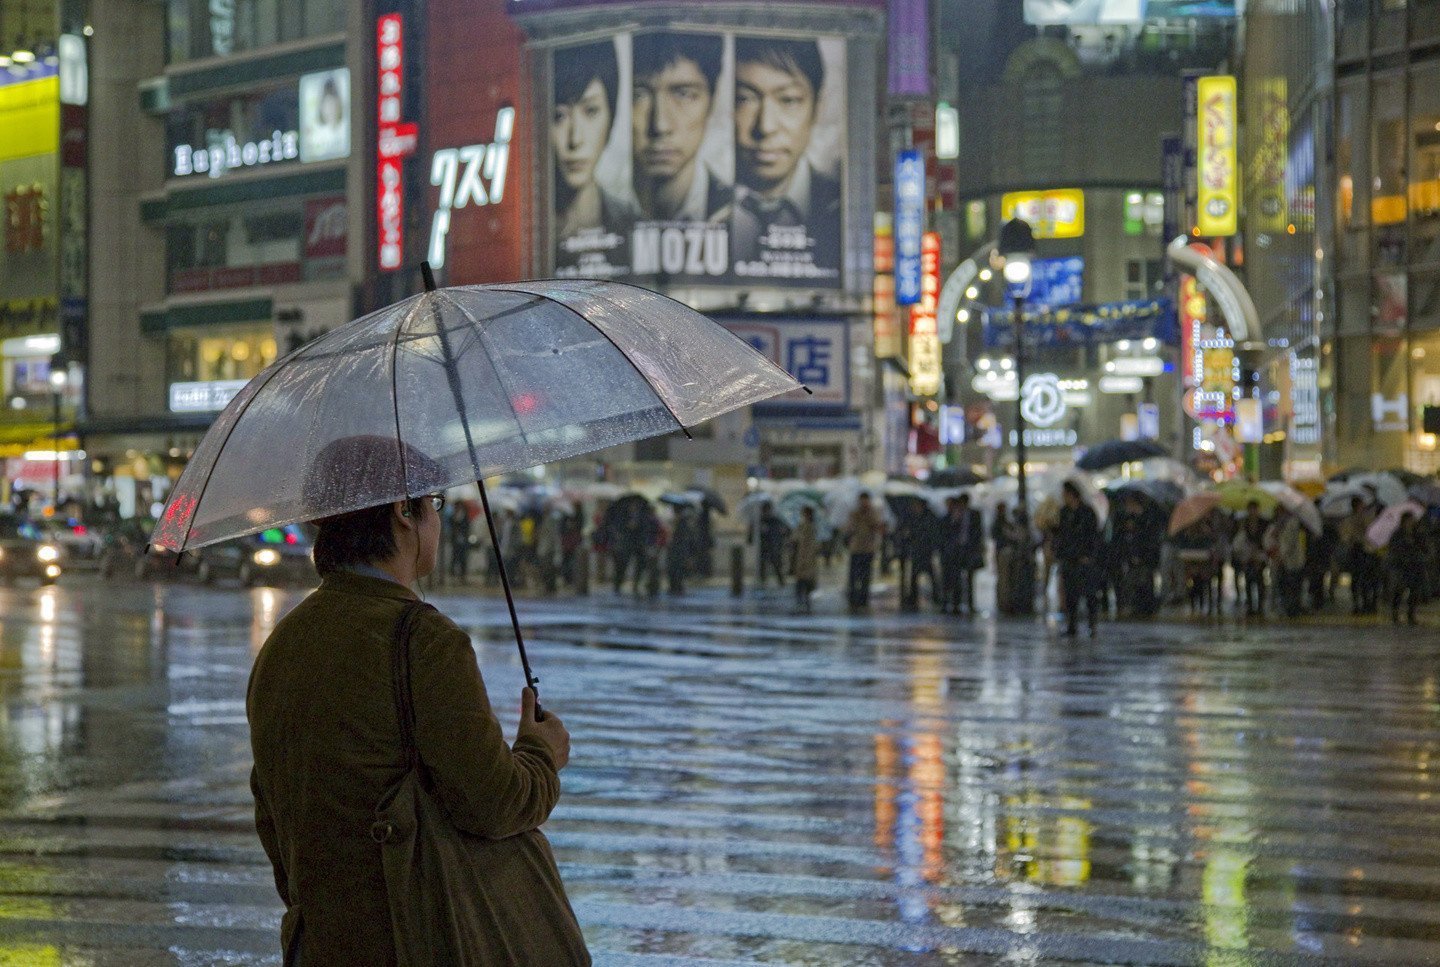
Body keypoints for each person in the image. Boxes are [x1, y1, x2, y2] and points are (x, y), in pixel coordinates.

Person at [248, 437, 587, 964]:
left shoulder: (282, 646)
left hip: (321, 943)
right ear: (403, 513)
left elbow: (273, 815)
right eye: (433, 505)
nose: (435, 519)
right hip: (416, 938)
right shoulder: (423, 640)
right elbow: (493, 801)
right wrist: (542, 755)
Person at [731, 37, 841, 273]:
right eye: (745, 98)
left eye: (788, 99)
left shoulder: (839, 210)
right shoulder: (704, 210)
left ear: (817, 107)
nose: (766, 125)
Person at [631, 33, 733, 222]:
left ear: (712, 101)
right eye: (639, 95)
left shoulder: (739, 214)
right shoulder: (606, 213)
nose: (660, 125)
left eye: (684, 94)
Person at [551, 41, 636, 247]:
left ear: (611, 115)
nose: (575, 139)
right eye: (559, 116)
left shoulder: (632, 225)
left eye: (591, 111)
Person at [1053, 481, 1101, 638]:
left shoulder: (1087, 512)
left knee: (1089, 594)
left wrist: (1089, 556)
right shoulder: (1064, 512)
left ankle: (1092, 624)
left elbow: (1093, 536)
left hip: (1083, 559)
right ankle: (1072, 624)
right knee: (1070, 594)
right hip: (1069, 559)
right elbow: (1061, 535)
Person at [939, 494, 984, 615]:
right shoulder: (953, 516)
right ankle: (955, 604)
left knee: (969, 579)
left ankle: (969, 604)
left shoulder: (974, 515)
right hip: (956, 551)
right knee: (955, 579)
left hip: (968, 550)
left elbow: (978, 532)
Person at [844, 492, 885, 610]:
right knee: (854, 575)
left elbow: (878, 527)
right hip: (856, 548)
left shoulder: (873, 512)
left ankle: (863, 598)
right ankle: (853, 598)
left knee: (865, 575)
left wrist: (869, 518)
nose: (863, 503)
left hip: (868, 548)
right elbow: (848, 528)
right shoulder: (854, 513)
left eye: (865, 500)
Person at [1338, 496, 1379, 614]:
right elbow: (1345, 536)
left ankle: (1368, 602)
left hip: (1367, 551)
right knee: (1357, 578)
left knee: (1369, 578)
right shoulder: (1349, 520)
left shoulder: (1367, 518)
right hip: (1357, 550)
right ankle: (1358, 603)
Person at [1266, 505, 1307, 617]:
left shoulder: (1292, 522)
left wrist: (1281, 555)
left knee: (1293, 585)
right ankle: (1285, 607)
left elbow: (1290, 542)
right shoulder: (1274, 525)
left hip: (1292, 560)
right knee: (1282, 585)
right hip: (1279, 561)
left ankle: (1293, 608)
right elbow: (1269, 540)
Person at [1388, 513, 1426, 624]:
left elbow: (1423, 547)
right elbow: (1395, 549)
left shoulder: (1417, 534)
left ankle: (1411, 614)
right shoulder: (1397, 534)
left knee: (1414, 591)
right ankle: (1395, 613)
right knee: (1400, 590)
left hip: (1415, 565)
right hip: (1402, 566)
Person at [1232, 501, 1269, 616]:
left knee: (1260, 580)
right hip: (1247, 555)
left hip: (1260, 554)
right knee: (1248, 580)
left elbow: (1266, 538)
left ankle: (1260, 606)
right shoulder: (1244, 523)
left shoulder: (1264, 523)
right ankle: (1250, 606)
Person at [790, 504, 820, 614]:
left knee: (804, 579)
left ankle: (803, 598)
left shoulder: (809, 527)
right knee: (802, 578)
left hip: (806, 556)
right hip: (802, 556)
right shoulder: (803, 525)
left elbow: (809, 542)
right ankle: (802, 598)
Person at [758, 502, 789, 588]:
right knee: (763, 566)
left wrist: (783, 533)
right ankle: (763, 582)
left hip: (774, 546)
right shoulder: (760, 521)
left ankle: (781, 582)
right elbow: (752, 536)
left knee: (776, 565)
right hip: (765, 547)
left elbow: (786, 530)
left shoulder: (776, 520)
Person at [447, 500, 472, 581]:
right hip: (455, 539)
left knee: (463, 558)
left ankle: (463, 575)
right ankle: (453, 574)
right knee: (454, 557)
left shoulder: (465, 516)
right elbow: (450, 524)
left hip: (463, 539)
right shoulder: (453, 516)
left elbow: (467, 527)